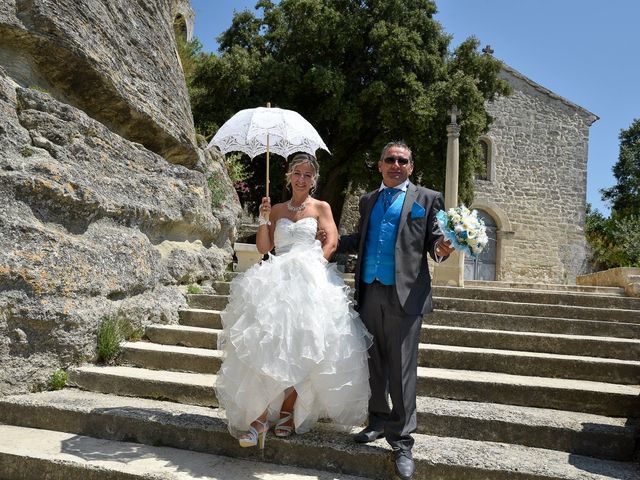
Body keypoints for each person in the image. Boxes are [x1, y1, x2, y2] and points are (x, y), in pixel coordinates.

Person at [214, 153, 372, 450]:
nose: (302, 178)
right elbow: (264, 247)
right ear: (288, 175)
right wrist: (263, 218)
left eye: (308, 174)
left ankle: (287, 412)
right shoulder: (275, 209)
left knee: (303, 346)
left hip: (310, 282)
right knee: (264, 345)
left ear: (315, 179)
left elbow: (332, 242)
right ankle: (258, 419)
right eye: (297, 173)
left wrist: (315, 264)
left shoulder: (321, 207)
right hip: (274, 281)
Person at [336, 141, 454, 480]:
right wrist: (323, 239)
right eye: (390, 159)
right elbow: (360, 239)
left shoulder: (427, 199)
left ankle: (401, 440)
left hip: (406, 296)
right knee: (373, 363)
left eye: (402, 160)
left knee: (402, 369)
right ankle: (376, 421)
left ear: (411, 167)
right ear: (380, 165)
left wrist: (442, 248)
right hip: (369, 290)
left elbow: (434, 243)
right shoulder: (369, 200)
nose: (396, 164)